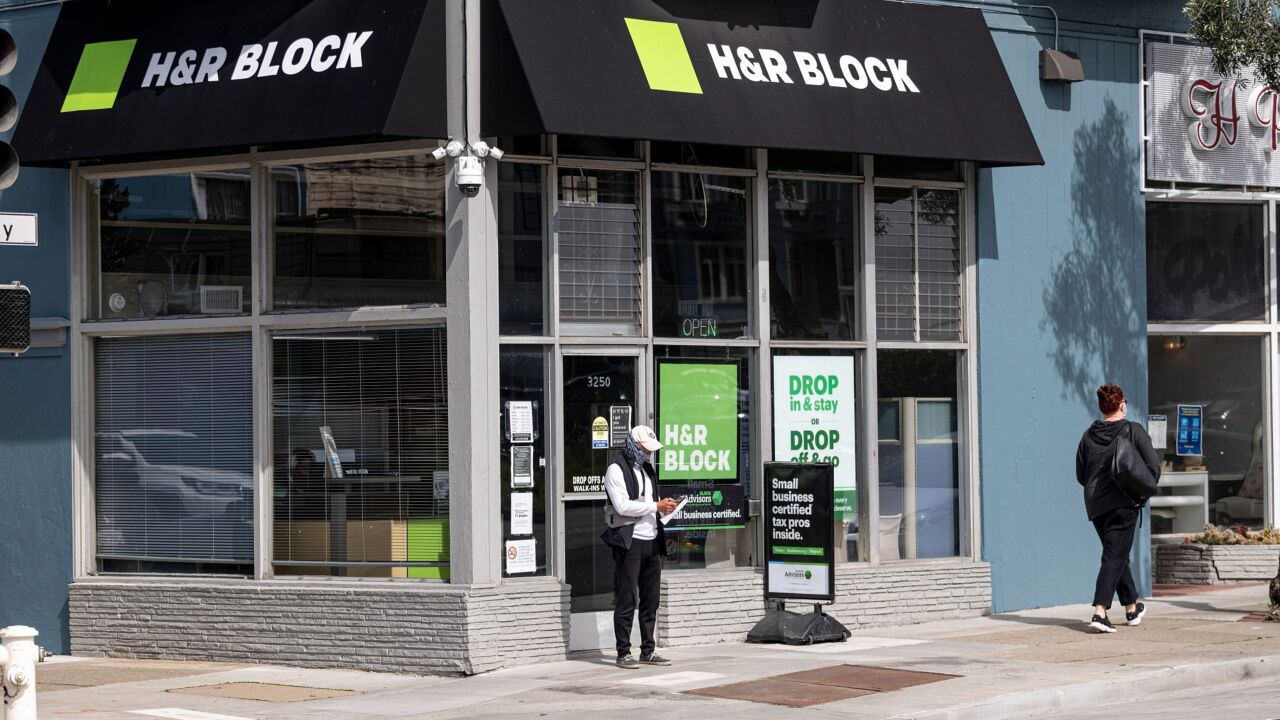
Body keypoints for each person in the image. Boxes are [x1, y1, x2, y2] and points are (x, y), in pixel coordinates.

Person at [1075, 383, 1160, 633]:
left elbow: (1081, 474)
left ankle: (1132, 607)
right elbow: (1152, 467)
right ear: (1122, 405)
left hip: (1096, 504)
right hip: (1123, 502)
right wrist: (1142, 489)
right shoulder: (1132, 430)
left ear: (1102, 407)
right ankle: (1100, 611)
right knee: (1113, 555)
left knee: (1116, 553)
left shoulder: (1088, 435)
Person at [601, 425, 678, 669]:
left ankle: (648, 650)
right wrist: (656, 506)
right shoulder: (615, 469)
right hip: (630, 542)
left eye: (651, 451)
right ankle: (623, 652)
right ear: (634, 444)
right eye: (646, 449)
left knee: (651, 599)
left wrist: (665, 509)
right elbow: (622, 506)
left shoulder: (647, 470)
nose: (649, 455)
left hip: (652, 540)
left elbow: (650, 504)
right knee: (626, 598)